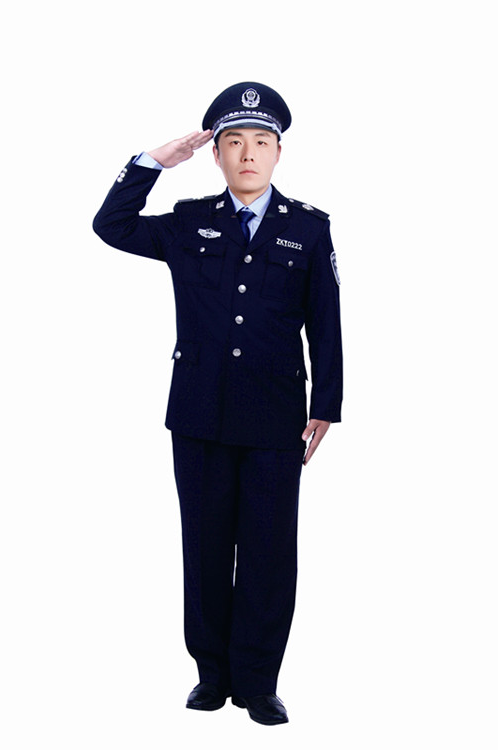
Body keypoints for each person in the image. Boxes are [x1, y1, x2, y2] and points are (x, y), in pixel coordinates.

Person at [93, 81, 343, 726]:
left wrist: (327, 403)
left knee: (268, 551)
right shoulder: (187, 223)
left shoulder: (308, 228)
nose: (248, 153)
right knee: (204, 547)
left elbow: (326, 322)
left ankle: (258, 682)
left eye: (261, 142)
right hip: (199, 411)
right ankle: (211, 674)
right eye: (234, 142)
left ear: (278, 153)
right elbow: (110, 227)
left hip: (276, 415)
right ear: (217, 154)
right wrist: (153, 163)